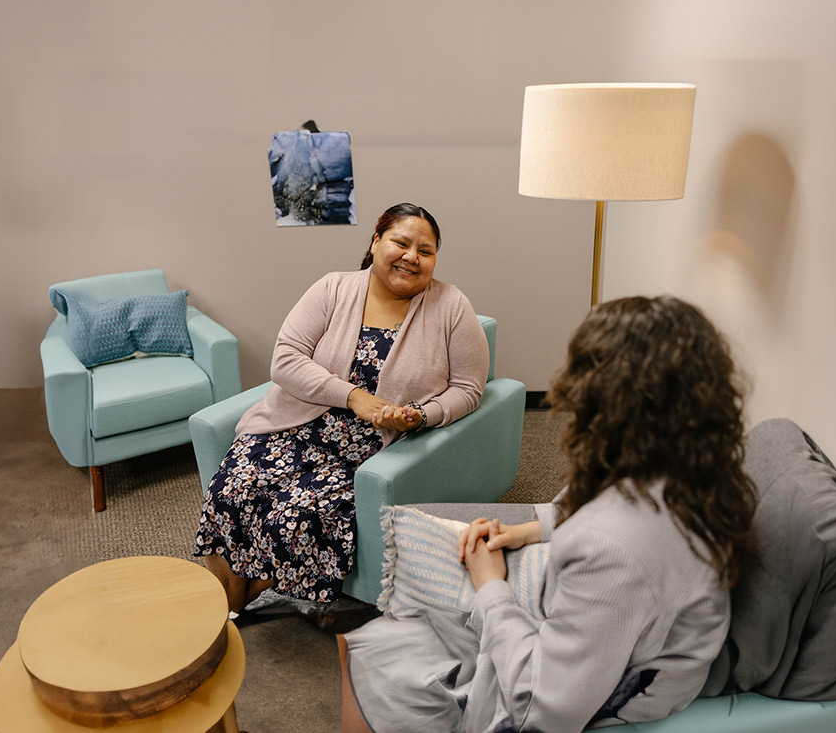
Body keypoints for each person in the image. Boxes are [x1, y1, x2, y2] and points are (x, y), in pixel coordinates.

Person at [338, 295, 761, 733]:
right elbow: (601, 516)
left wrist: (491, 587)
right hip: (617, 647)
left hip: (593, 692)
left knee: (376, 652)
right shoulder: (693, 466)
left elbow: (540, 705)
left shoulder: (609, 545)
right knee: (398, 635)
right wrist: (529, 529)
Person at [195, 202, 489, 614]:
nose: (412, 257)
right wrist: (354, 397)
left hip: (364, 449)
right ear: (375, 241)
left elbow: (468, 388)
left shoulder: (452, 307)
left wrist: (421, 415)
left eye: (425, 250)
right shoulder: (333, 288)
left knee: (295, 515)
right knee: (230, 491)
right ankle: (229, 606)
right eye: (401, 243)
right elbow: (285, 359)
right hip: (291, 425)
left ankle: (238, 604)